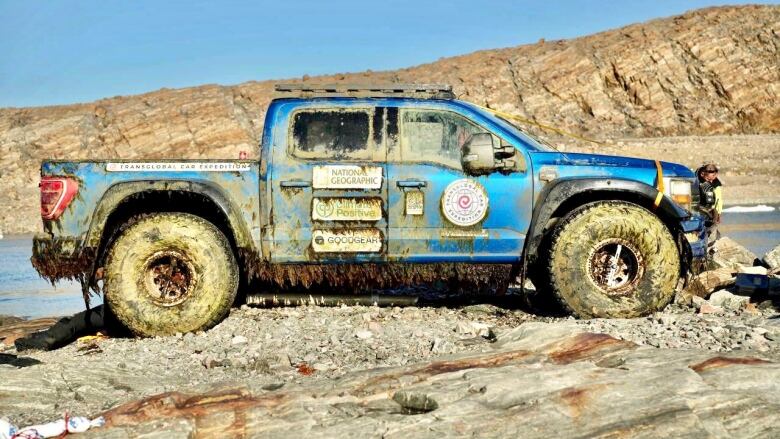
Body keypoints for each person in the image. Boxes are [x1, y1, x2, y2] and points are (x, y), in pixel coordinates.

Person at [696, 163, 723, 252]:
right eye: (708, 179)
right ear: (702, 174)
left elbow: (718, 199)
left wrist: (719, 212)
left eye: (713, 178)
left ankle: (710, 247)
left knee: (713, 229)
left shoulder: (716, 185)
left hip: (712, 210)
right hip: (701, 210)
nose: (710, 181)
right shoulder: (696, 180)